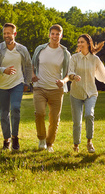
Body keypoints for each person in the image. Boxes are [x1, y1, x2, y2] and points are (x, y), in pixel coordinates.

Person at [68, 34, 105, 154]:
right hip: (76, 93)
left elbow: (104, 76)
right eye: (78, 42)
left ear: (88, 43)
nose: (79, 44)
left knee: (89, 115)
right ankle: (76, 145)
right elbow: (69, 73)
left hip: (91, 93)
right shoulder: (74, 58)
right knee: (77, 121)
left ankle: (89, 142)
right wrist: (74, 76)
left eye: (82, 42)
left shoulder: (95, 59)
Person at [0, 23, 32, 150]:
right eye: (4, 33)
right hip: (2, 85)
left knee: (15, 108)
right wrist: (3, 70)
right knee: (4, 114)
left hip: (17, 83)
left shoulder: (22, 49)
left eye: (9, 33)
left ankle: (15, 137)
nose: (6, 35)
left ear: (14, 34)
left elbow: (29, 66)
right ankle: (6, 139)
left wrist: (27, 83)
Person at [32, 24, 71, 152]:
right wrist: (33, 76)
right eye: (52, 34)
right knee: (39, 113)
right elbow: (31, 66)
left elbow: (68, 74)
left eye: (57, 34)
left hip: (56, 90)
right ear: (49, 35)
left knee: (54, 119)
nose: (54, 36)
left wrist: (63, 81)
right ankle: (42, 139)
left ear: (61, 36)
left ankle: (49, 144)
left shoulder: (65, 53)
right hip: (40, 88)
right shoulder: (40, 49)